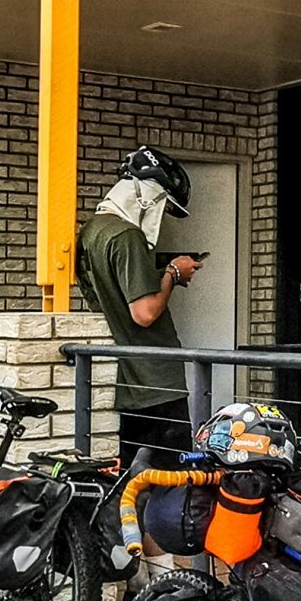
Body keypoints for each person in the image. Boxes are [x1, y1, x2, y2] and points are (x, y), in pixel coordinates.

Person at [76, 147, 202, 456]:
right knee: (172, 478)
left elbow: (112, 294)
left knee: (134, 478)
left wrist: (157, 274)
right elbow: (144, 313)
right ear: (145, 198)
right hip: (157, 378)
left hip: (128, 379)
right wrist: (174, 272)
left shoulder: (90, 232)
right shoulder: (126, 236)